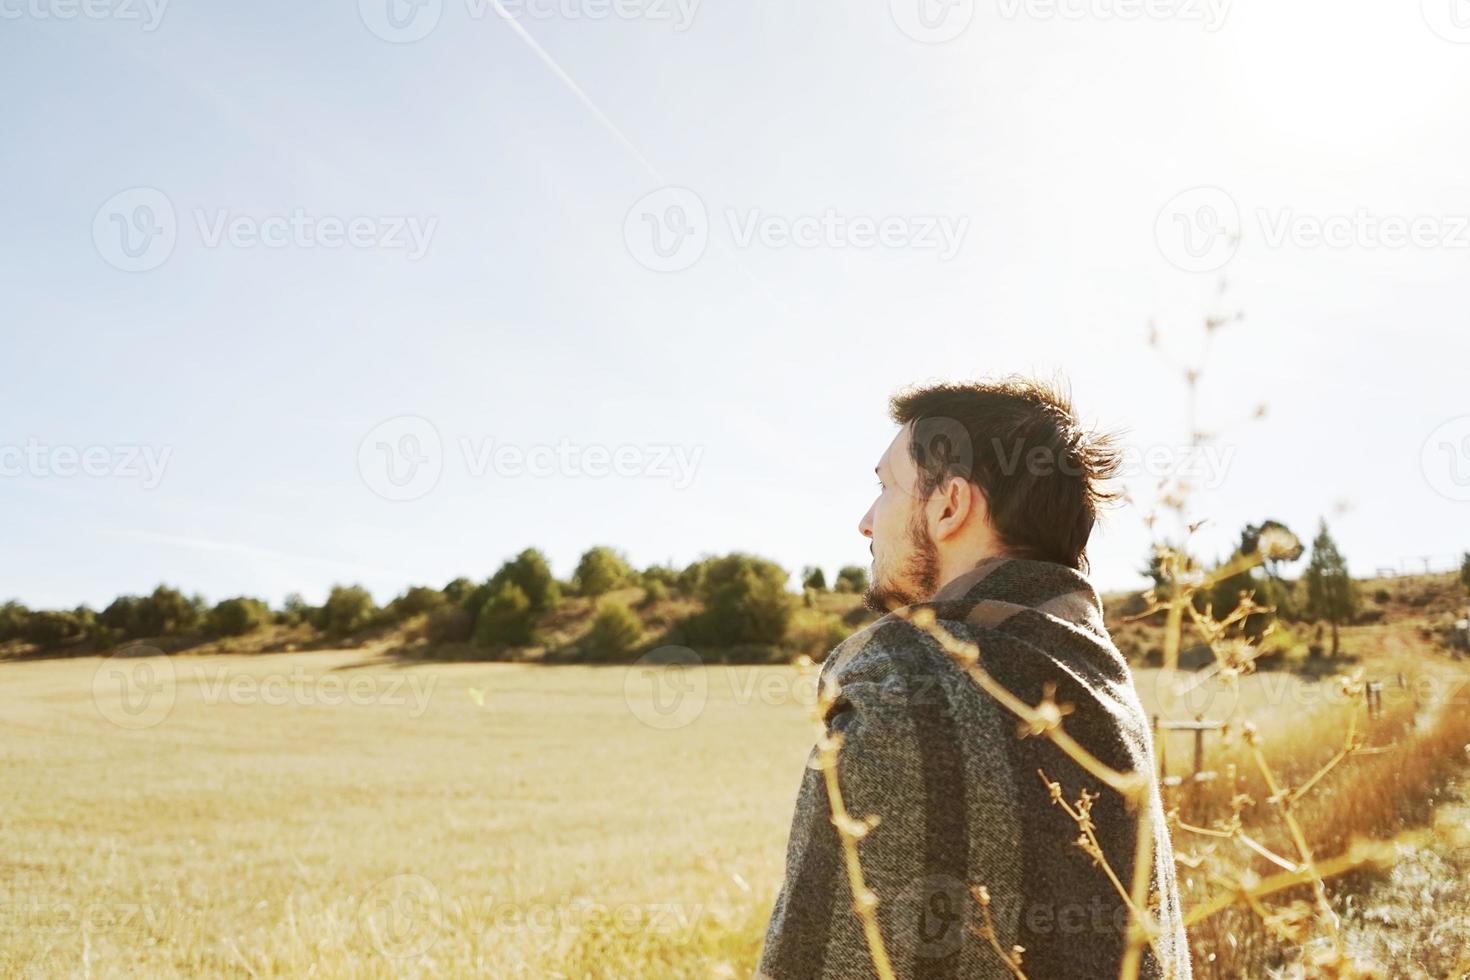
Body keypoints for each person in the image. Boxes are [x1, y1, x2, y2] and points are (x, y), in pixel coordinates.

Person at [757, 378, 1190, 979]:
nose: (865, 522)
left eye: (884, 487)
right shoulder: (1102, 682)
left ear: (949, 506)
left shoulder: (900, 693)